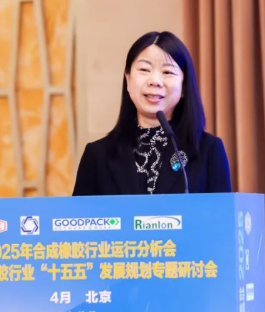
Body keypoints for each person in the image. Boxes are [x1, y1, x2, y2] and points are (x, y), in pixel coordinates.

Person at [72, 31, 232, 196]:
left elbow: (221, 212)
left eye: (167, 72)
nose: (155, 81)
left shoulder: (208, 150)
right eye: (144, 69)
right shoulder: (97, 155)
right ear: (128, 79)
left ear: (184, 87)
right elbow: (81, 213)